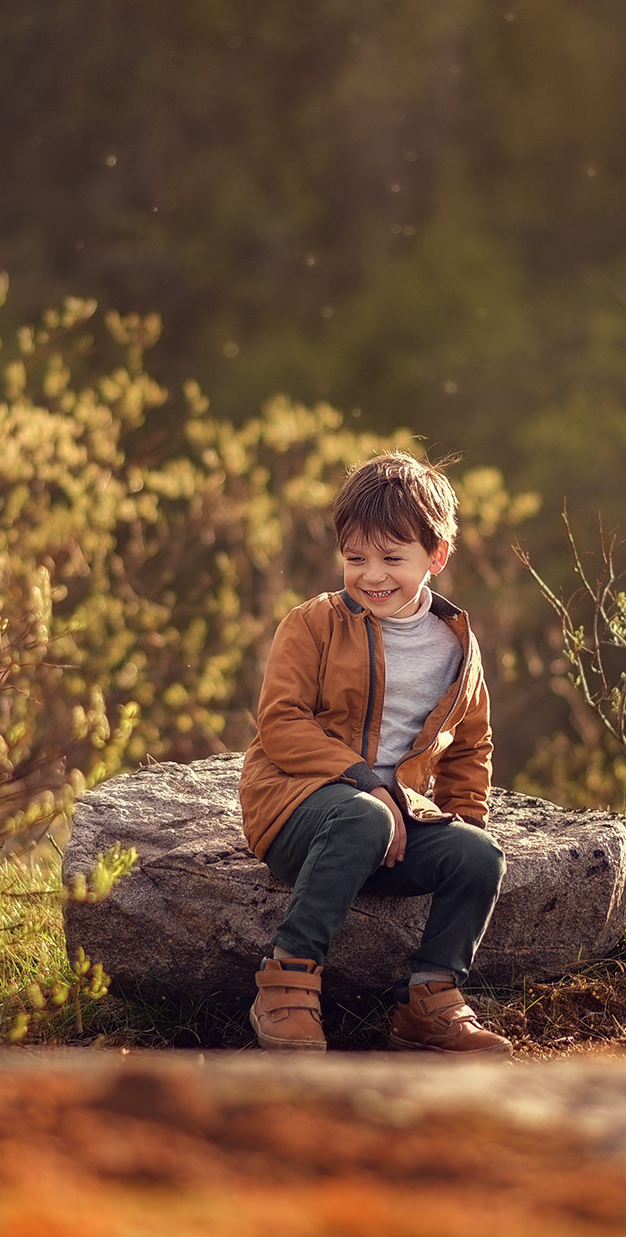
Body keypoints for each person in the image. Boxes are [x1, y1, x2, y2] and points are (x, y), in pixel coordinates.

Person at [238, 451, 510, 1054]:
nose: (371, 575)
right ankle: (286, 981)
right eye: (355, 558)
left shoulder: (456, 646)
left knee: (478, 855)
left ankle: (429, 999)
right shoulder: (311, 626)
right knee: (364, 813)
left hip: (395, 823)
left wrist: (458, 821)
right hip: (298, 812)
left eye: (392, 558)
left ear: (436, 557)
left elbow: (470, 742)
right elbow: (281, 725)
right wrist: (366, 782)